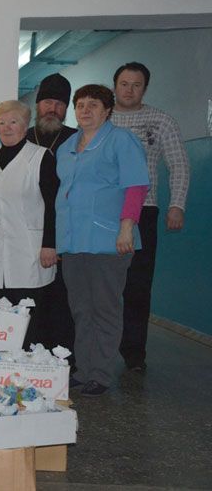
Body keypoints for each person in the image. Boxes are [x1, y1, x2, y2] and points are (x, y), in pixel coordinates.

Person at [56, 84, 149, 397]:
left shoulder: (121, 140)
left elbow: (136, 187)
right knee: (81, 310)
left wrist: (126, 228)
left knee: (104, 309)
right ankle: (83, 371)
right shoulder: (67, 146)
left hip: (109, 239)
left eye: (93, 105)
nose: (85, 110)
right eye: (80, 105)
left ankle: (100, 374)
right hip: (73, 240)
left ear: (107, 110)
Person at [111, 62, 190, 372]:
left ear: (145, 88)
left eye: (137, 85)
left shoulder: (161, 121)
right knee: (98, 285)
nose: (129, 90)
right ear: (114, 86)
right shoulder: (102, 118)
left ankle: (134, 353)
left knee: (138, 286)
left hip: (144, 211)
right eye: (124, 84)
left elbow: (179, 164)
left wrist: (177, 205)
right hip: (103, 212)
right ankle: (91, 351)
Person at [0, 100, 58, 348]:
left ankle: (29, 362)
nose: (6, 127)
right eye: (1, 122)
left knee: (29, 319)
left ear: (26, 125)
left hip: (31, 251)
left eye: (13, 122)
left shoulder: (40, 157)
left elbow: (53, 205)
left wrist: (50, 244)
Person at [25, 73, 78, 357]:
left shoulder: (75, 140)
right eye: (47, 102)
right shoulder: (23, 137)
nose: (52, 109)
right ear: (37, 105)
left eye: (59, 104)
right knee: (33, 298)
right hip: (27, 231)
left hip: (65, 231)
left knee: (62, 299)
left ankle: (63, 358)